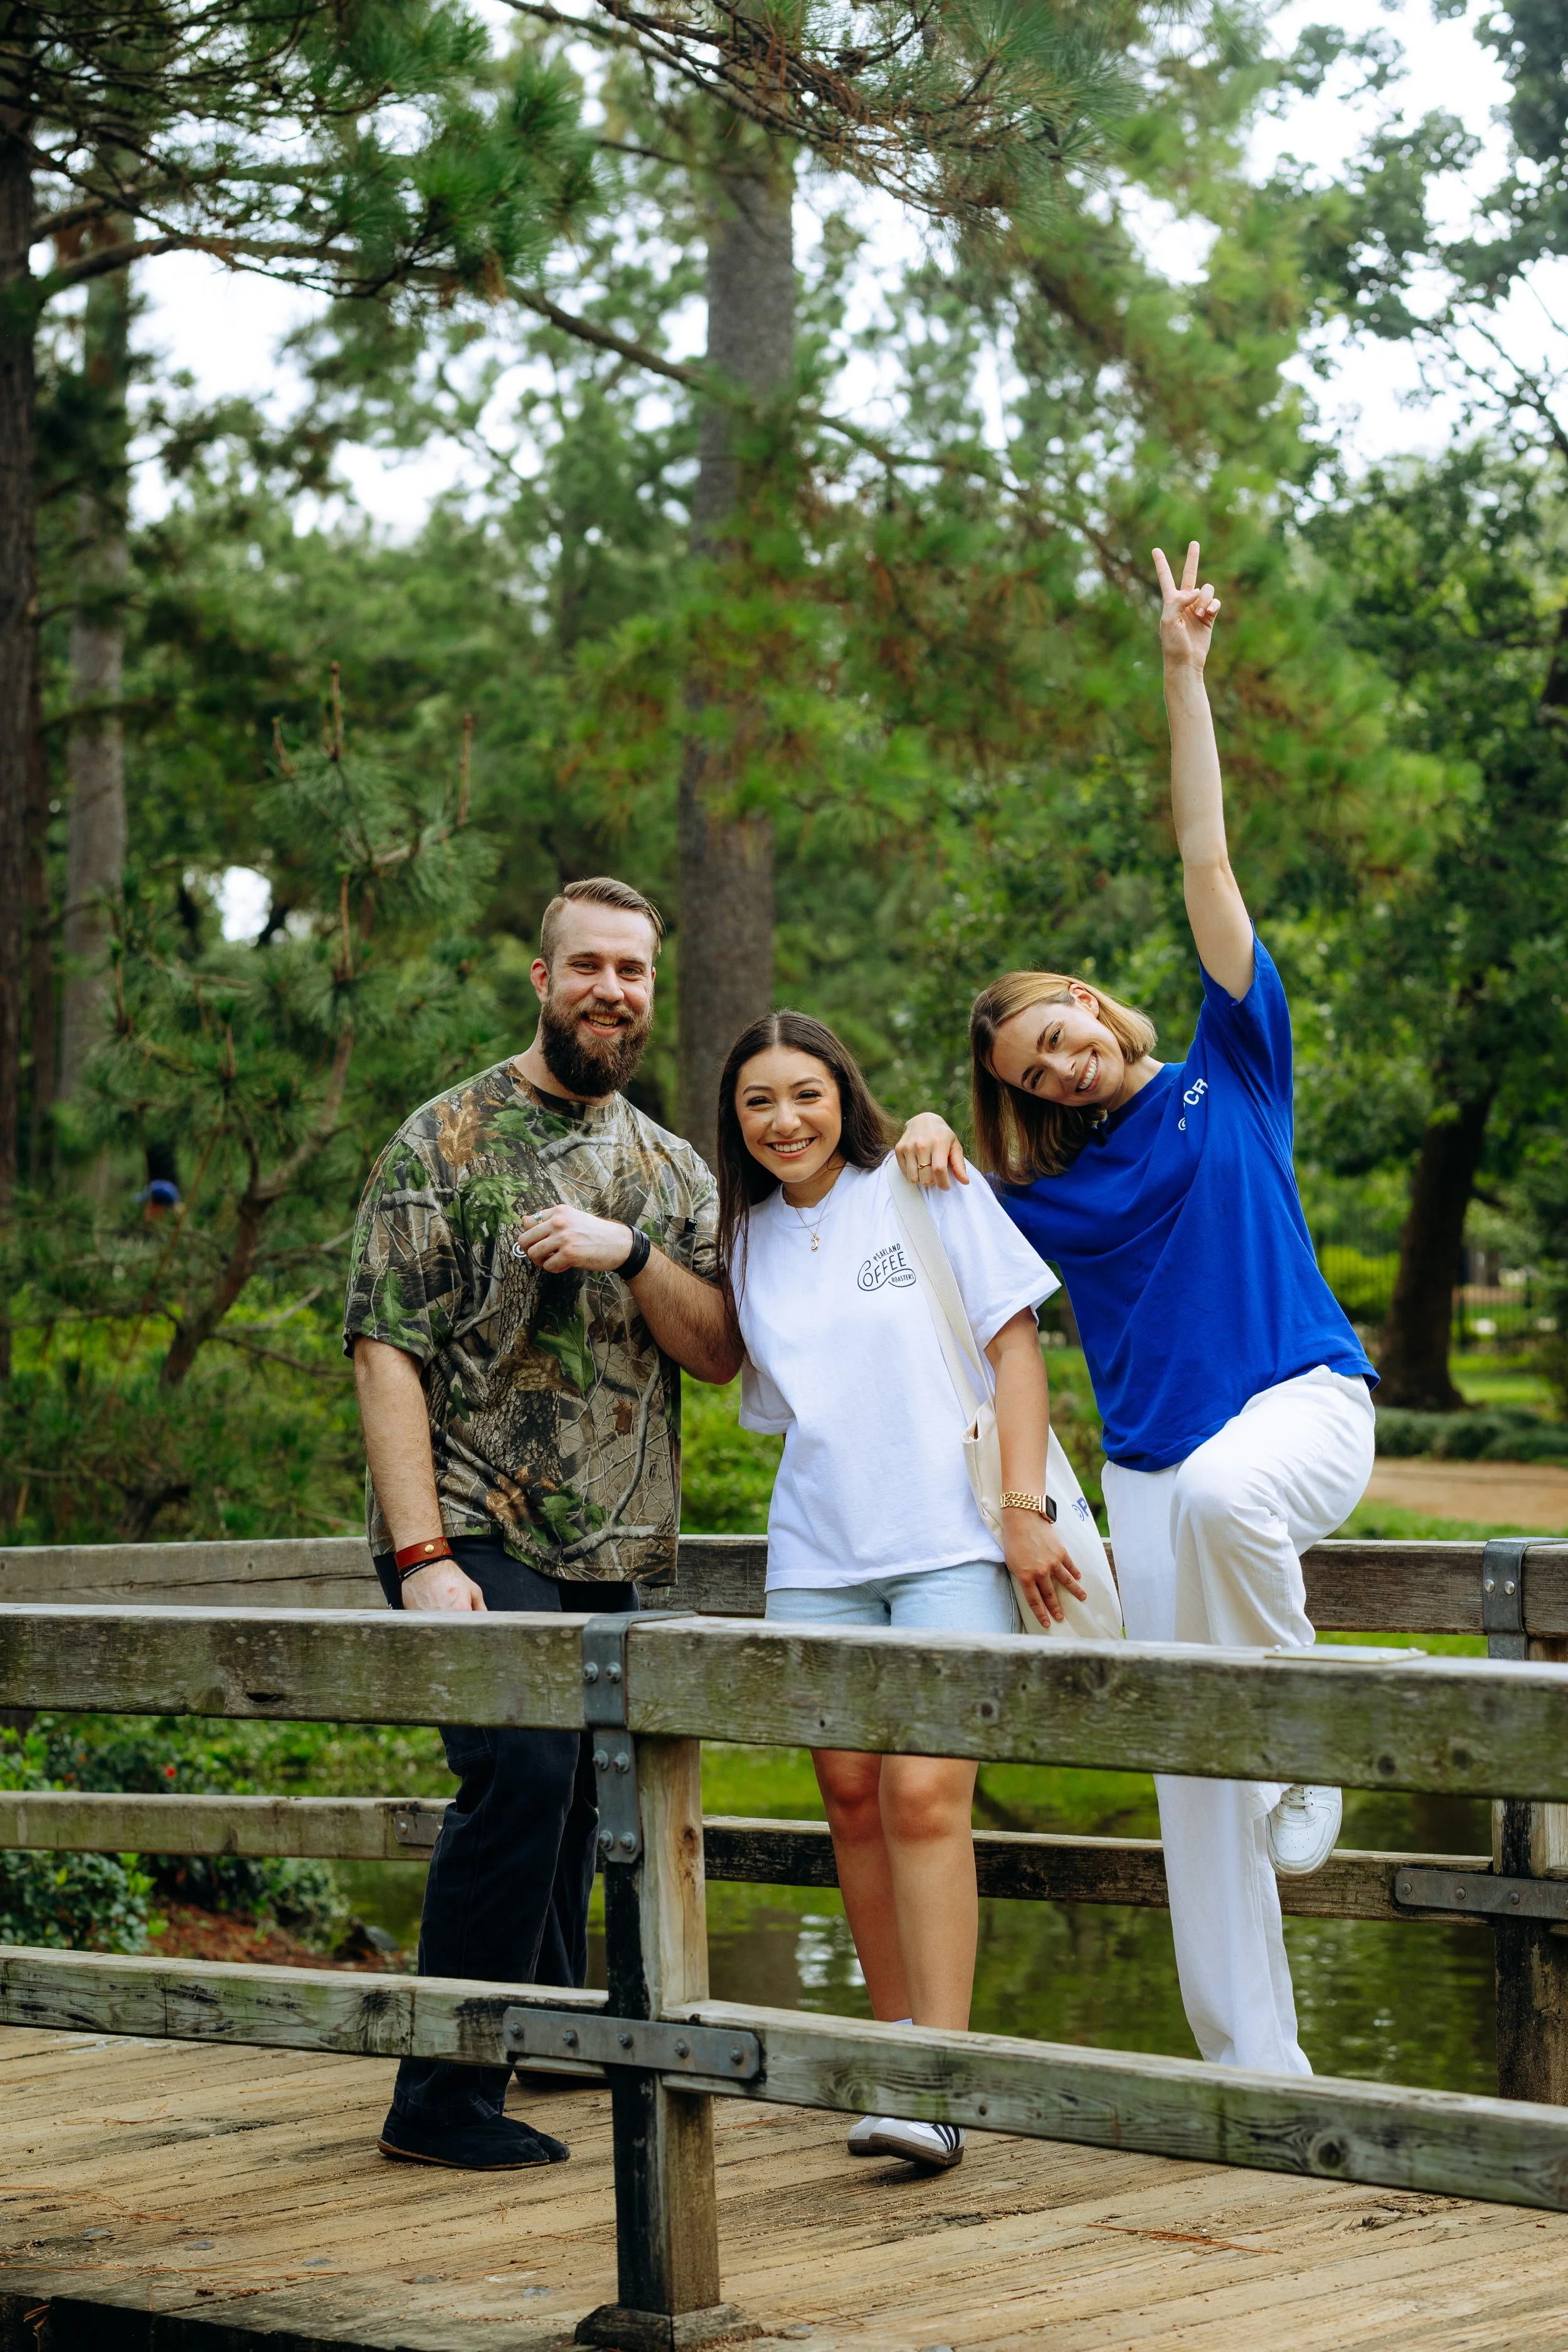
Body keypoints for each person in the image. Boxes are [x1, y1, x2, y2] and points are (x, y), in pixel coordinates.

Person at [895, 543, 1376, 2079]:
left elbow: (1204, 867)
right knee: (1190, 1779)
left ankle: (1311, 1740)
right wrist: (914, 1143)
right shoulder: (1027, 1198)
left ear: (1099, 1012)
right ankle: (1254, 2073)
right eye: (1031, 1071)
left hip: (1298, 1403)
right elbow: (934, 1280)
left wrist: (1182, 676)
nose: (1061, 1066)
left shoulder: (1230, 1065)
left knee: (1245, 1506)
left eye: (1065, 1037)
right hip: (1145, 1474)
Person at [344, 875, 741, 2170]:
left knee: (581, 1795)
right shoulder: (444, 1140)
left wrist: (628, 1252)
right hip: (476, 1532)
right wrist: (419, 1557)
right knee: (518, 1778)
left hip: (619, 1546)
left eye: (631, 971)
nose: (610, 992)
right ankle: (439, 2098)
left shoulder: (669, 1169)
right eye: (587, 968)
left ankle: (559, 2030)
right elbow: (384, 1349)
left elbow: (720, 1350)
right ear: (542, 978)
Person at [718, 1008, 1086, 2169]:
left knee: (928, 1793)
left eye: (805, 1093)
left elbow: (1014, 1345)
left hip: (951, 1541)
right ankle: (892, 2063)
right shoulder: (745, 1239)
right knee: (851, 1798)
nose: (785, 1120)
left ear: (845, 1091)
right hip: (819, 1555)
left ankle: (942, 2077)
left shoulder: (926, 1179)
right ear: (737, 1123)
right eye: (758, 1103)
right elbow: (788, 1406)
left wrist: (1022, 1514)